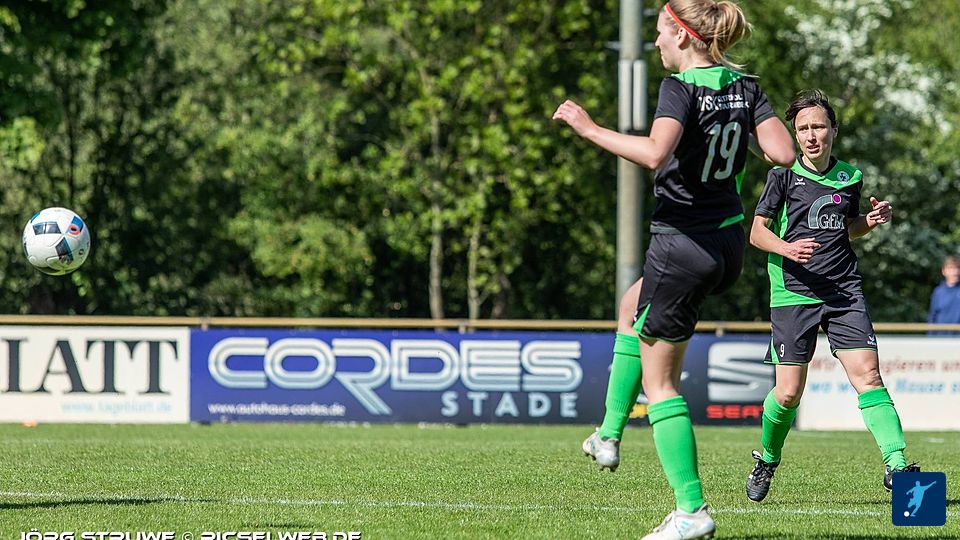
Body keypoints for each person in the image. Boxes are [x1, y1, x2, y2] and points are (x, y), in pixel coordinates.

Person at [553, 1, 795, 538]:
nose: (657, 42)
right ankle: (608, 433)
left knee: (661, 385)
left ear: (683, 36)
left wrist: (589, 128)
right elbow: (782, 152)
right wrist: (734, 122)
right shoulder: (745, 86)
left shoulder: (679, 88)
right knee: (630, 306)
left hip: (682, 245)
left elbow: (654, 154)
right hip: (727, 243)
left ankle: (691, 511)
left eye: (661, 32)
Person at [744, 89, 918, 504]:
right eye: (803, 128)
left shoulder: (850, 176)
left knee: (869, 375)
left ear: (833, 130)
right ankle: (767, 458)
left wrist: (869, 221)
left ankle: (897, 465)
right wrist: (787, 248)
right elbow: (756, 233)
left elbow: (848, 227)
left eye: (818, 126)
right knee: (788, 393)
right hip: (793, 291)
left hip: (843, 291)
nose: (810, 135)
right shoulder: (782, 175)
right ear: (795, 134)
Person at [927, 255, 960, 334]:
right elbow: (933, 317)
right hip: (941, 338)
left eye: (957, 268)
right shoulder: (938, 292)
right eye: (951, 268)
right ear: (944, 271)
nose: (955, 272)